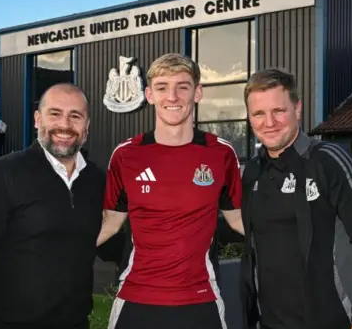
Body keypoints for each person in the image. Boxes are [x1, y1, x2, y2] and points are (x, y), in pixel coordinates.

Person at [0, 83, 116, 329]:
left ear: (87, 125)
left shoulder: (97, 181)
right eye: (55, 114)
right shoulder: (0, 175)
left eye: (75, 116)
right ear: (37, 120)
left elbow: (108, 243)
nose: (65, 125)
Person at [96, 53, 244, 329]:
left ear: (197, 93)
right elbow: (110, 223)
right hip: (136, 297)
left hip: (200, 299)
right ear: (149, 95)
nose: (172, 97)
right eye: (162, 87)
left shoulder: (221, 153)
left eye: (182, 87)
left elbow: (239, 220)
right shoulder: (126, 155)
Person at [239, 68, 352, 329]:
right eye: (259, 113)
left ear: (297, 109)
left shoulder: (330, 161)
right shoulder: (251, 172)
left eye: (279, 111)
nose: (269, 122)